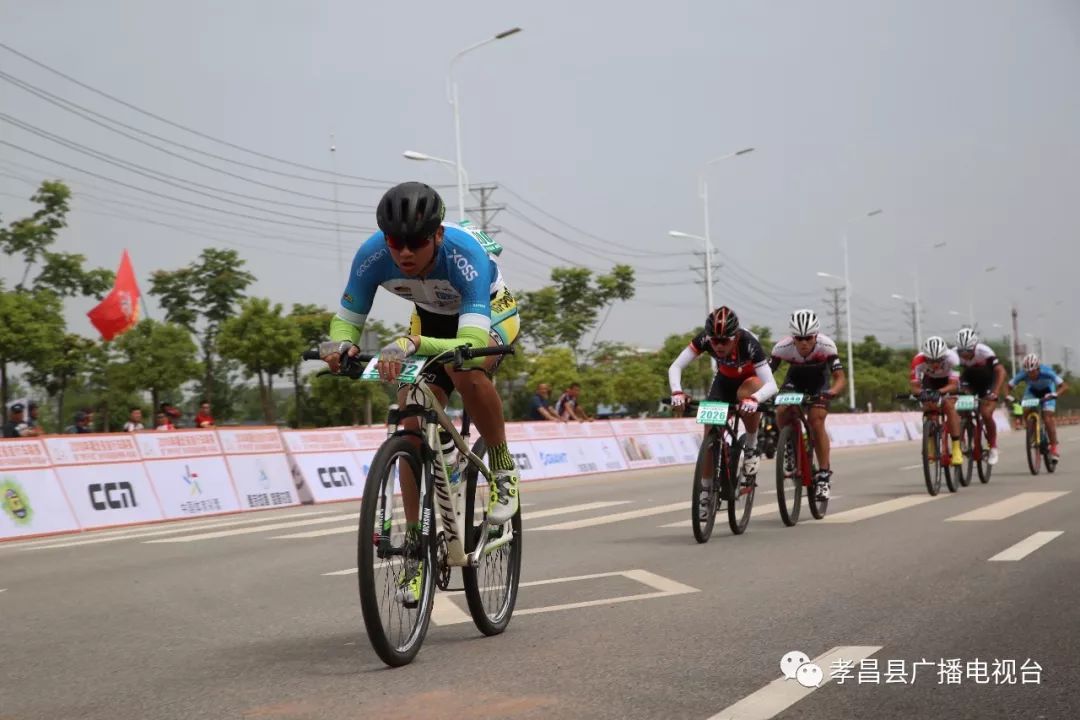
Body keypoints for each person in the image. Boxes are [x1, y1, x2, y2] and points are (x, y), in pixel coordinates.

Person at [319, 181, 520, 607]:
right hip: (428, 320)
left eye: (415, 242)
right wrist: (340, 346)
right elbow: (347, 320)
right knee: (409, 417)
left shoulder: (466, 256)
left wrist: (410, 345)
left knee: (464, 368)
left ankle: (503, 467)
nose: (404, 252)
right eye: (396, 242)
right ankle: (415, 550)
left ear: (438, 236)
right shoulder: (372, 254)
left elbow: (468, 338)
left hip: (487, 313)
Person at [668, 306, 778, 514]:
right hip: (724, 380)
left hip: (750, 382)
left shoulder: (749, 343)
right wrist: (677, 392)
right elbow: (675, 367)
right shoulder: (704, 340)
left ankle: (752, 447)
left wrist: (755, 399)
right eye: (714, 340)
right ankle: (706, 492)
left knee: (749, 391)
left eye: (724, 341)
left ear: (735, 337)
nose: (718, 346)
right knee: (710, 431)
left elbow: (771, 385)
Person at [769, 309, 846, 500]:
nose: (804, 343)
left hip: (819, 383)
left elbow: (839, 378)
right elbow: (765, 375)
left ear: (816, 336)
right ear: (792, 337)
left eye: (809, 338)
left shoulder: (826, 346)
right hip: (794, 380)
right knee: (781, 410)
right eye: (799, 338)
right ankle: (788, 446)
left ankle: (823, 474)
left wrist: (832, 392)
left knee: (816, 420)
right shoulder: (781, 348)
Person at [954, 328, 1007, 465]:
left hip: (988, 383)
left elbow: (1001, 371)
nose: (964, 355)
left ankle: (993, 446)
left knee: (986, 413)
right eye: (962, 352)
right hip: (969, 382)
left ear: (974, 347)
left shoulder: (985, 352)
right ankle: (965, 433)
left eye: (968, 352)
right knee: (961, 408)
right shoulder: (953, 353)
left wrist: (995, 392)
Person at [909, 336, 964, 466]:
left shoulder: (953, 358)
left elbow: (954, 385)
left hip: (948, 382)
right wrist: (922, 393)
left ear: (944, 356)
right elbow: (915, 388)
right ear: (925, 358)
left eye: (939, 360)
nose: (935, 364)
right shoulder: (917, 361)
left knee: (948, 405)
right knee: (928, 404)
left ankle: (956, 448)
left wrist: (939, 392)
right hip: (930, 381)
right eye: (931, 360)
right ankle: (931, 439)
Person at [1007, 353, 1068, 459]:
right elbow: (1009, 386)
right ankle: (1031, 430)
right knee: (1025, 408)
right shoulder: (1023, 374)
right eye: (1028, 372)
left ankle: (1053, 448)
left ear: (1038, 368)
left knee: (1047, 417)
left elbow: (1064, 386)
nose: (1031, 374)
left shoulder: (1047, 372)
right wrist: (1008, 396)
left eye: (1033, 371)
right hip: (1032, 391)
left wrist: (1055, 394)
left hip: (1048, 391)